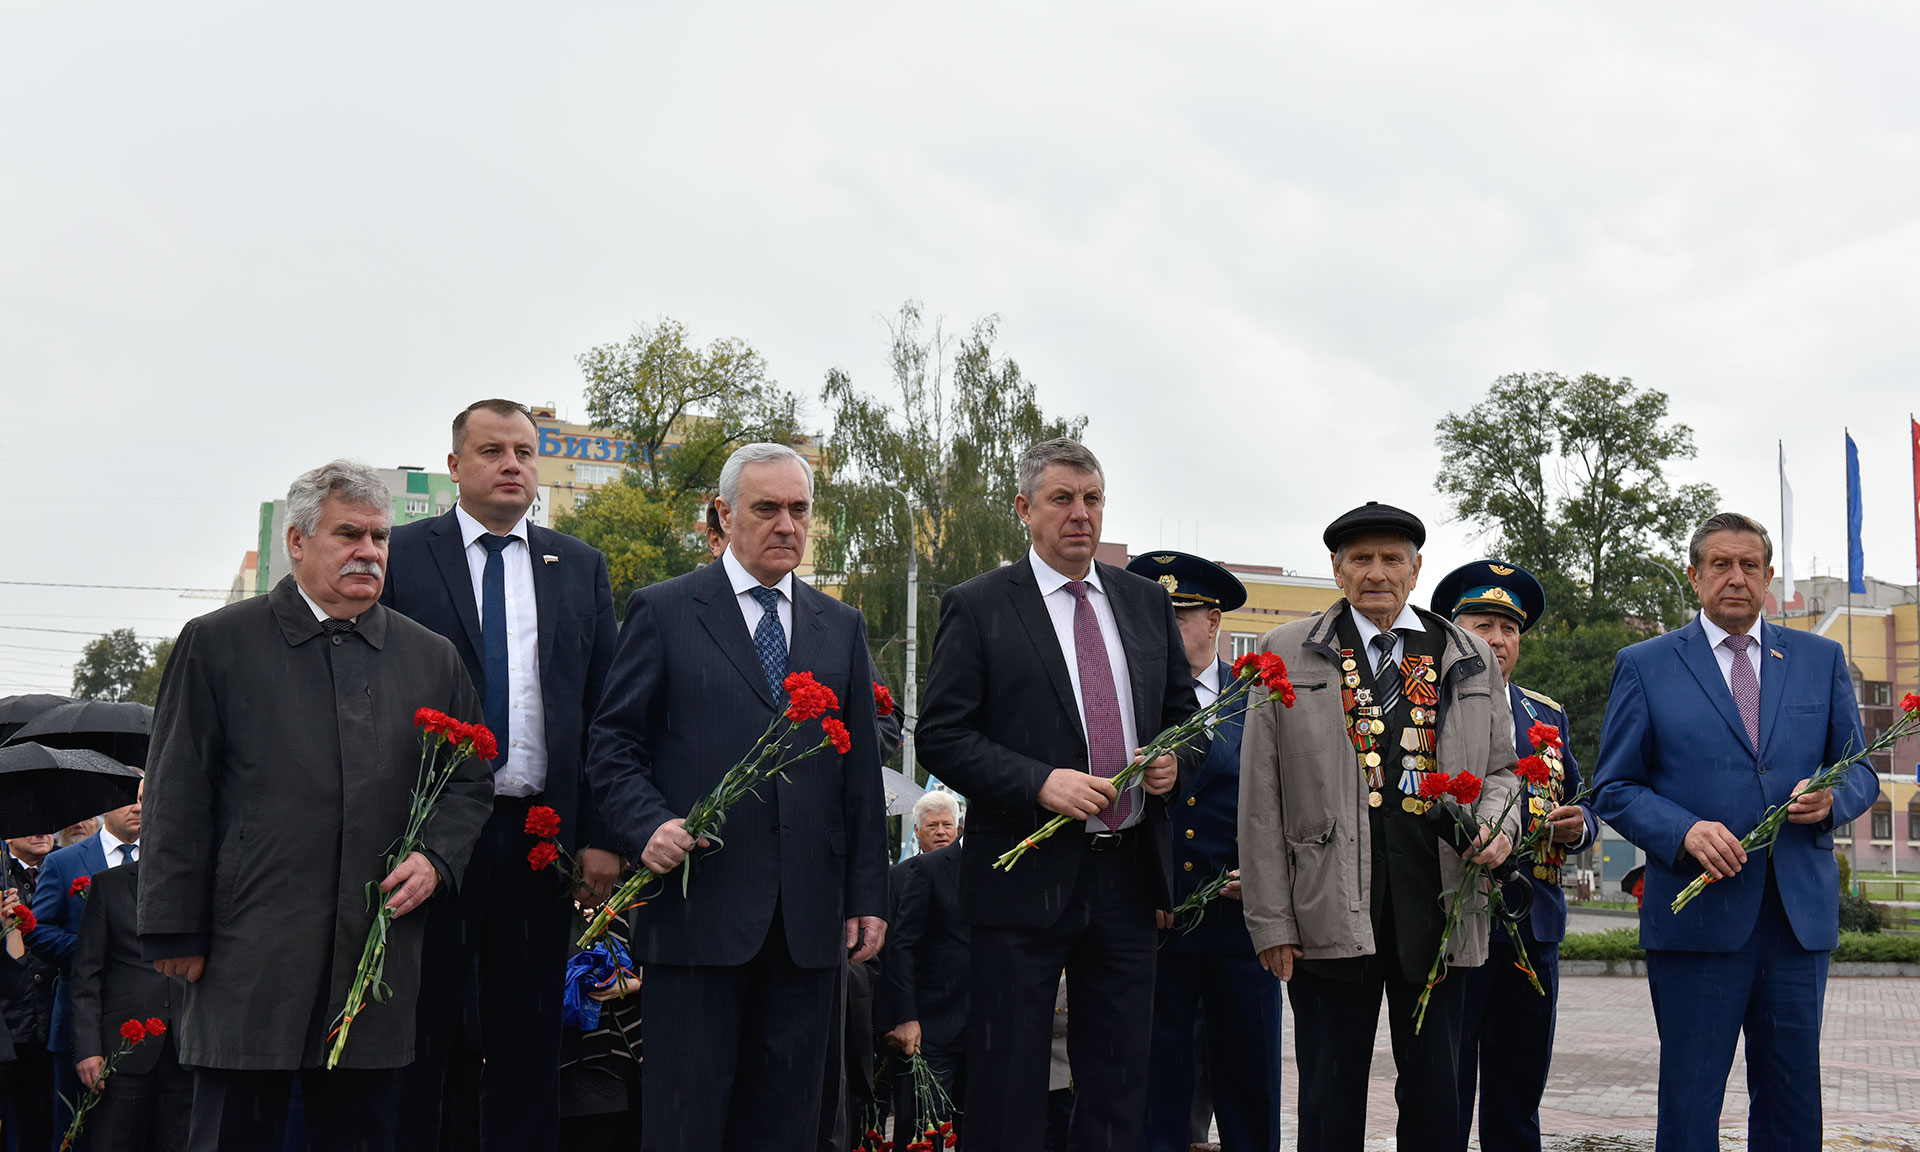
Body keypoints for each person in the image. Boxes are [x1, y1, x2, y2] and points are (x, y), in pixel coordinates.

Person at [139, 459, 493, 1152]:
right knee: (233, 1132)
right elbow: (177, 793)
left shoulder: (430, 657)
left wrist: (436, 858)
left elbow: (470, 782)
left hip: (374, 952)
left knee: (362, 1132)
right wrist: (174, 929)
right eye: (348, 534)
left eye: (380, 537)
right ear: (297, 541)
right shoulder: (218, 643)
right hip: (247, 951)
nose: (369, 551)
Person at [586, 441, 889, 1152]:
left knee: (790, 1128)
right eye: (767, 508)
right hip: (698, 915)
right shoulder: (663, 611)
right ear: (722, 514)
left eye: (800, 509)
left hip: (808, 925)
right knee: (686, 1127)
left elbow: (859, 775)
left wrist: (868, 894)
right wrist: (647, 824)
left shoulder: (840, 626)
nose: (787, 524)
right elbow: (612, 744)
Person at [917, 437, 1199, 1151]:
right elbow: (941, 735)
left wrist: (1173, 764)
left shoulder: (1144, 602)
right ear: (1024, 508)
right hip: (1021, 875)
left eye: (1093, 499)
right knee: (1008, 1079)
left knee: (1118, 1078)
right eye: (1062, 499)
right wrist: (1037, 782)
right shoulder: (979, 605)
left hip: (1128, 876)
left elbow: (1184, 720)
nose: (1081, 514)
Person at [1591, 512, 1878, 1152]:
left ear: (1768, 578)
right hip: (1696, 919)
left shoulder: (1820, 659)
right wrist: (1684, 830)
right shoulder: (1645, 664)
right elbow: (1614, 787)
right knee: (1691, 1104)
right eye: (1720, 564)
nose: (1736, 577)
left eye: (1750, 566)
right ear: (1695, 576)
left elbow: (1860, 769)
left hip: (1796, 922)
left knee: (1792, 1105)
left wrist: (1833, 799)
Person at [1238, 501, 1520, 1151]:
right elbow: (1261, 796)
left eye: (1392, 559)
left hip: (1441, 901)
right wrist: (1271, 921)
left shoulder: (1467, 654)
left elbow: (1504, 770)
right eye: (1360, 559)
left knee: (1436, 1097)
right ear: (1337, 571)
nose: (1376, 573)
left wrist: (1494, 824)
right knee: (1328, 1099)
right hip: (1327, 906)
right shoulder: (1289, 650)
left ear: (1416, 570)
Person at [382, 398, 622, 1152]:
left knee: (527, 1043)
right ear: (455, 466)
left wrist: (600, 835)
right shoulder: (401, 555)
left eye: (524, 451)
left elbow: (605, 708)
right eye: (492, 451)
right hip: (428, 842)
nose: (512, 464)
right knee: (421, 1037)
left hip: (538, 841)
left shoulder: (578, 565)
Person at [1430, 560, 1597, 1152]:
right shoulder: (1430, 708)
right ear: (1455, 632)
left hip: (1533, 924)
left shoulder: (1545, 715)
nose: (1498, 640)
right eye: (1483, 625)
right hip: (1454, 920)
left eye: (1509, 628)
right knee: (1445, 1091)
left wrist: (1580, 826)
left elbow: (1583, 799)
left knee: (1519, 1090)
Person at [1127, 551, 1283, 1152]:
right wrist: (1149, 880)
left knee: (1249, 1085)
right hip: (1158, 921)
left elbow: (1292, 796)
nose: (1163, 633)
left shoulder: (1258, 697)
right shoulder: (1130, 698)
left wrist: (1271, 873)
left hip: (1242, 921)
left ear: (1214, 621)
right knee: (1158, 1094)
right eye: (1152, 619)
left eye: (1177, 617)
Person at [31, 792, 141, 1144]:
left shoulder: (165, 860)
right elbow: (38, 930)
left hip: (144, 1024)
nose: (139, 807)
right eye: (130, 798)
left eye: (148, 798)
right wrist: (91, 948)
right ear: (105, 805)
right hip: (78, 1023)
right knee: (74, 1132)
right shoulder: (64, 862)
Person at [68, 859, 190, 1151]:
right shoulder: (108, 883)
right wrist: (88, 1048)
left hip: (187, 1047)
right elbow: (86, 974)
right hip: (121, 1051)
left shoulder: (201, 880)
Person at [884, 792, 968, 1142]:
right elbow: (899, 947)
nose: (941, 831)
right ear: (917, 831)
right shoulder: (911, 873)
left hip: (983, 1024)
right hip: (930, 1025)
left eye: (948, 824)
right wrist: (901, 1016)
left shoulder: (993, 865)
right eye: (932, 826)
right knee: (922, 1128)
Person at [2, 835, 56, 1151]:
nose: (41, 833)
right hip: (10, 1023)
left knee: (45, 1122)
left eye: (48, 827)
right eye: (31, 826)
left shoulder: (64, 866)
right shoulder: (3, 874)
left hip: (54, 1019)